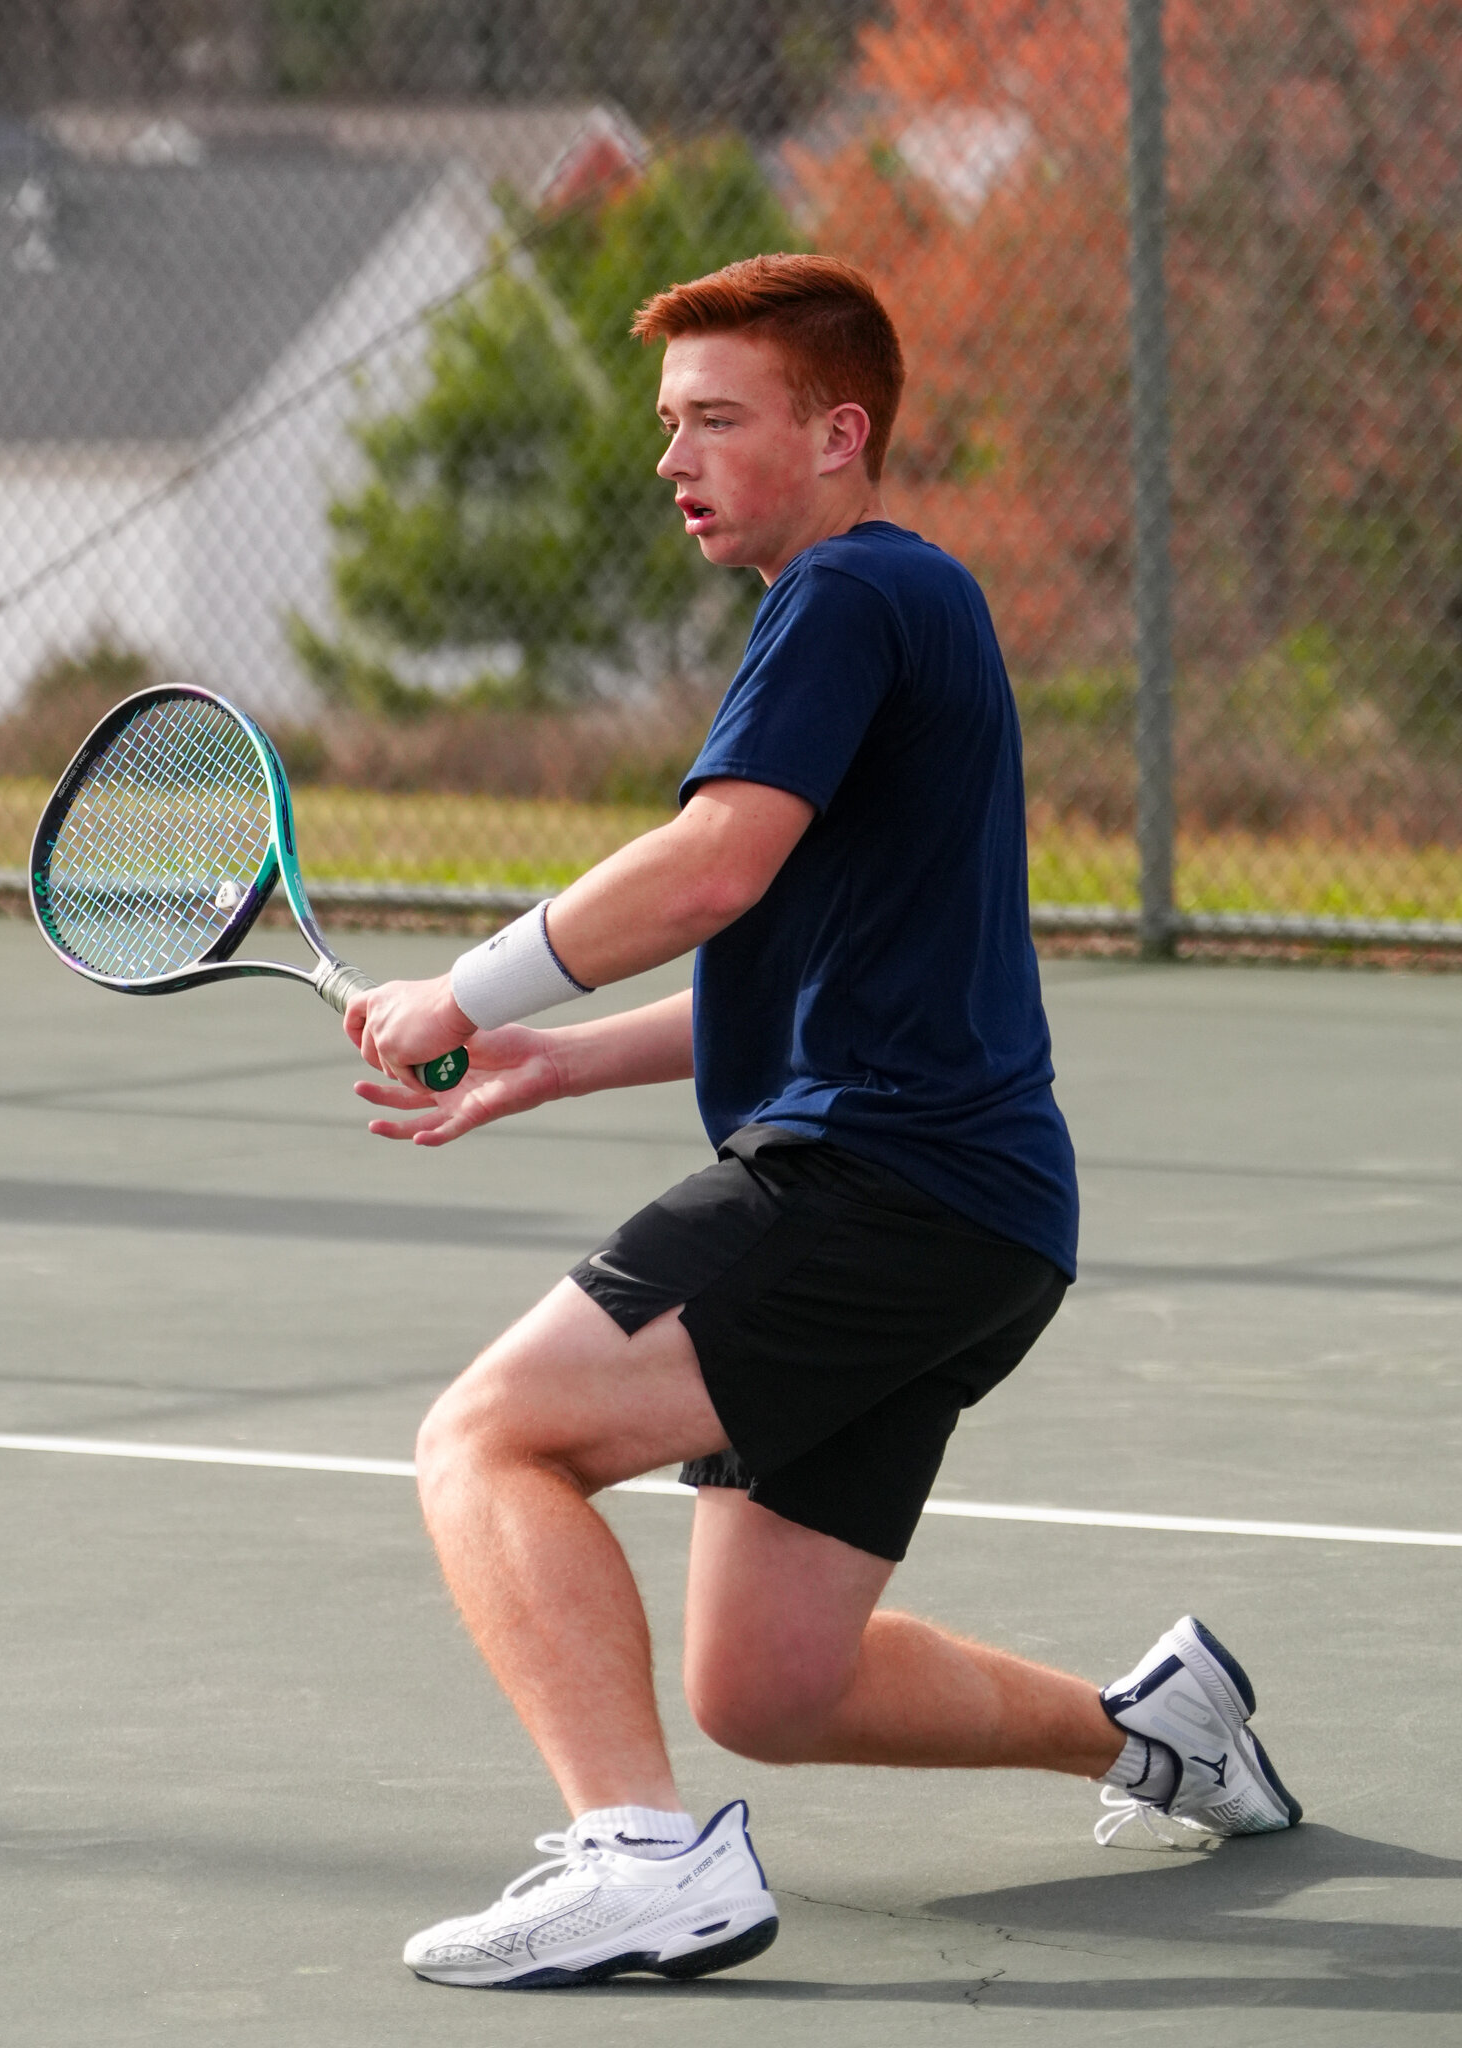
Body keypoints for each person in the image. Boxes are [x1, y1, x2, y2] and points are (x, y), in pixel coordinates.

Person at [342, 254, 1299, 1993]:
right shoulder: (906, 606)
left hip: (881, 1187)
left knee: (486, 1440)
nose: (673, 459)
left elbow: (710, 869)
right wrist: (567, 1060)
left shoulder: (847, 591)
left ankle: (641, 1861)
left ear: (841, 433)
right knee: (770, 1686)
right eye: (669, 424)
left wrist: (464, 995)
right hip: (980, 1218)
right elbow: (820, 974)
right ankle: (1158, 1733)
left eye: (717, 419)